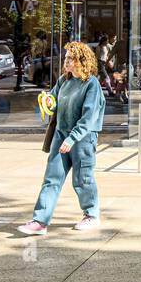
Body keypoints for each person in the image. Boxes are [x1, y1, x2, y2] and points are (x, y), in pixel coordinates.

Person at [18, 41, 106, 235]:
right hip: (61, 134)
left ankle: (91, 214)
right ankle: (40, 221)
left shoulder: (91, 84)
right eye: (66, 58)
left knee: (83, 178)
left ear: (81, 61)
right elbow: (54, 99)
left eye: (70, 58)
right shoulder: (64, 81)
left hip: (82, 139)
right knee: (52, 178)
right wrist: (48, 99)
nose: (65, 61)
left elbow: (89, 117)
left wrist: (72, 138)